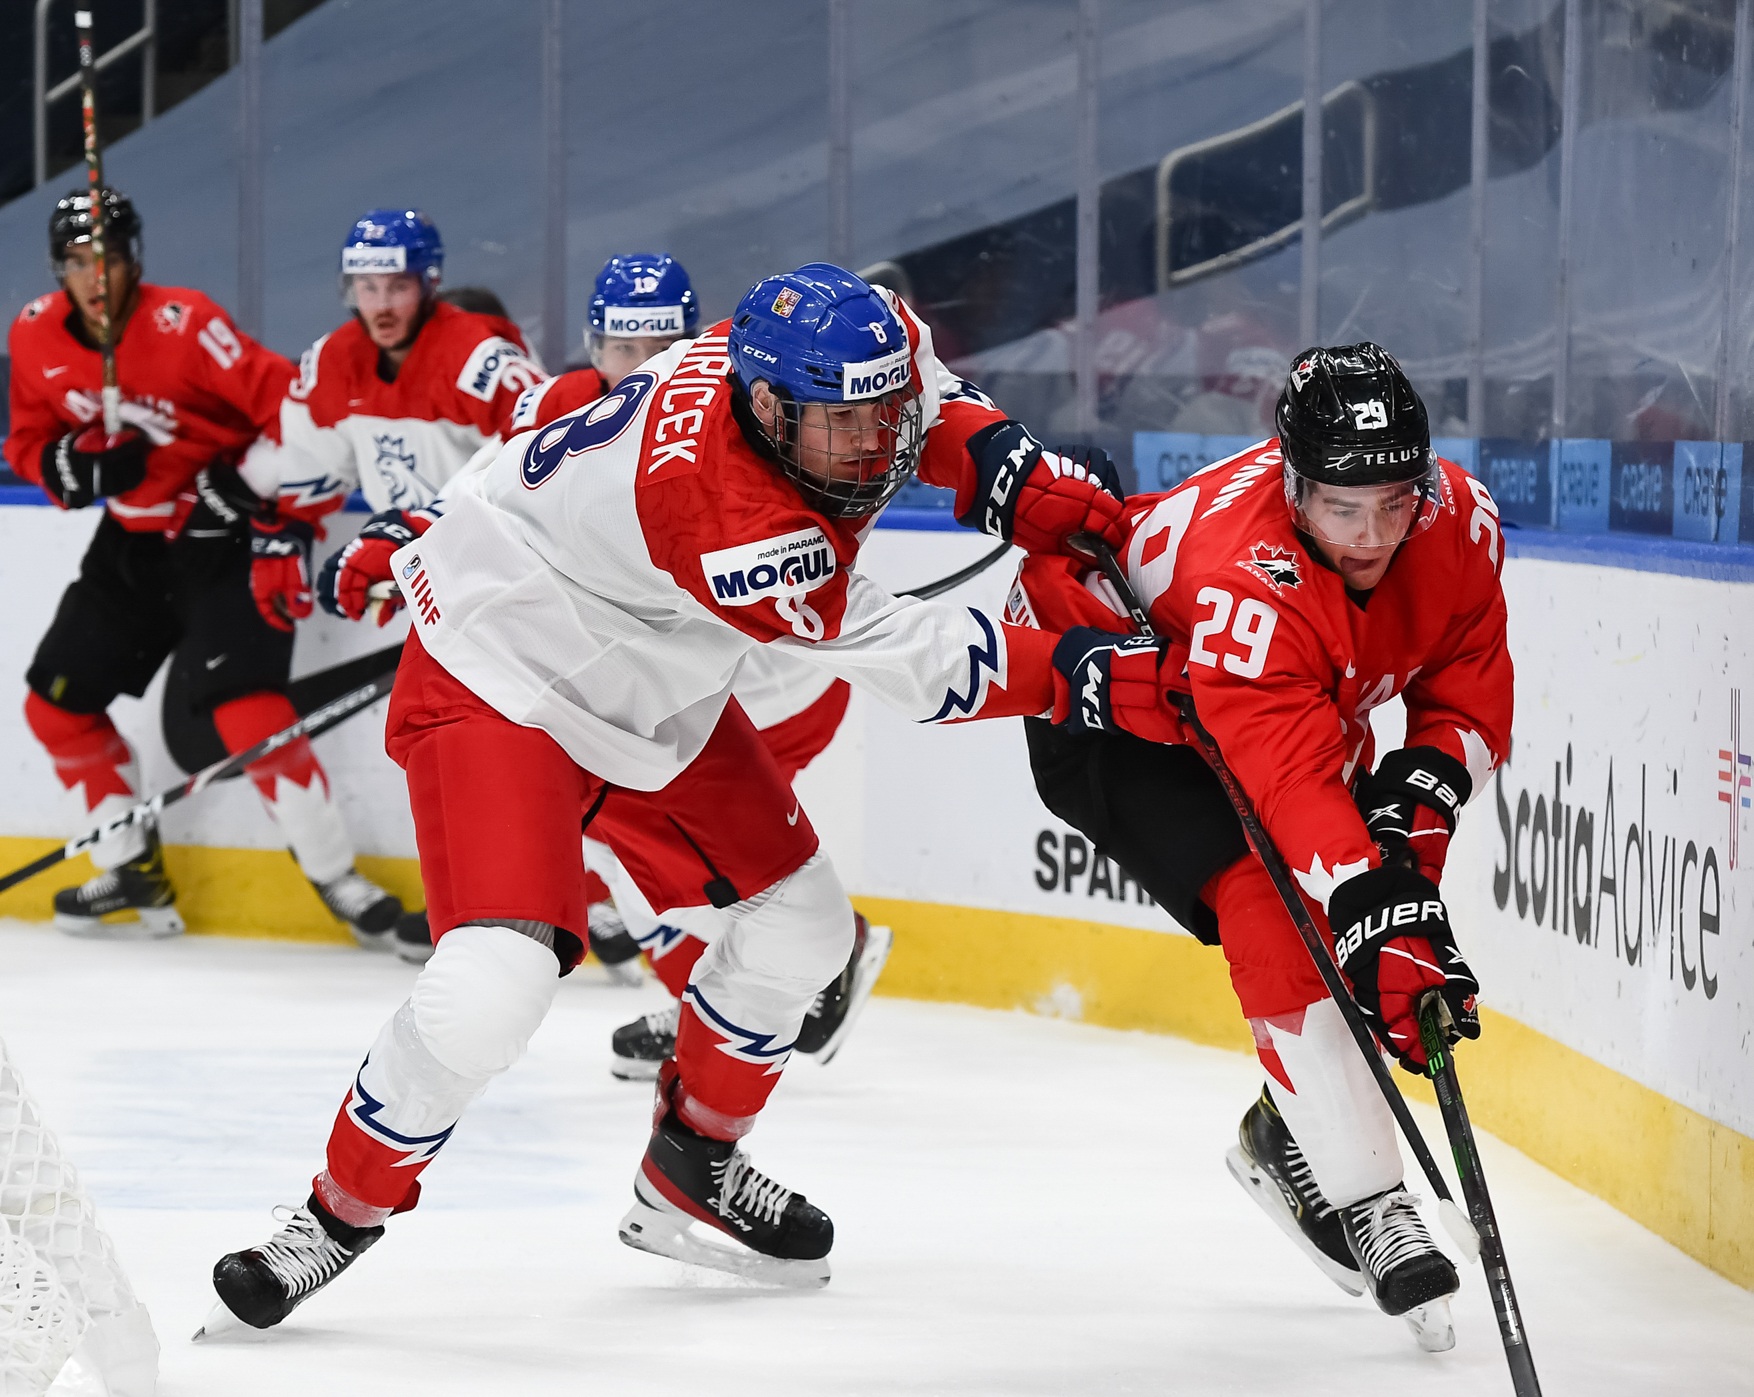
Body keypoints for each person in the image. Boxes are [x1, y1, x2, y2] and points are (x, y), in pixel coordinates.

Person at [203, 261, 1125, 1331]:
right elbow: (924, 662)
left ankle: (691, 1170)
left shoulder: (799, 349)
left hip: (648, 677)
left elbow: (918, 379)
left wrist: (1006, 460)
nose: (873, 446)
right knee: (494, 981)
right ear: (769, 406)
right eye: (842, 425)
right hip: (503, 678)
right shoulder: (733, 521)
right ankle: (334, 1213)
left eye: (883, 416)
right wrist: (1089, 672)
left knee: (808, 930)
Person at [1019, 343, 1511, 1350]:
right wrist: (1380, 908)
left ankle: (1286, 1139)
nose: (1372, 534)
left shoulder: (1457, 522)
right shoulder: (1241, 583)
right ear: (1292, 488)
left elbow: (1461, 691)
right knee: (1274, 899)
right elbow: (1286, 788)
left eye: (1393, 502)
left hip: (1273, 696)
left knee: (1366, 911)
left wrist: (1409, 852)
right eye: (1341, 507)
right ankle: (1367, 1203)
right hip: (1115, 715)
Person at [503, 254, 888, 1072]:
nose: (640, 366)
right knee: (608, 832)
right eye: (619, 347)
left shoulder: (740, 421)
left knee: (627, 827)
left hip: (770, 687)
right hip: (695, 685)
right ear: (588, 345)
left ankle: (782, 978)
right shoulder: (557, 410)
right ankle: (723, 1000)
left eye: (662, 343)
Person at [4, 186, 405, 945]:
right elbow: (28, 441)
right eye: (80, 263)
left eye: (111, 260)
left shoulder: (188, 327)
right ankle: (133, 870)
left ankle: (336, 878)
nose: (97, 279)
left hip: (223, 540)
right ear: (60, 270)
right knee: (53, 707)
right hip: (131, 543)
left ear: (135, 261)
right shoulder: (33, 338)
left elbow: (299, 413)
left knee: (246, 709)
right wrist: (71, 466)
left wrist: (261, 502)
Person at [278, 208, 547, 960]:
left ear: (427, 282)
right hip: (436, 590)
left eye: (396, 282)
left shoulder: (478, 356)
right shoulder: (336, 361)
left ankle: (591, 901)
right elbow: (305, 458)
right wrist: (283, 527)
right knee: (449, 751)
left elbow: (544, 446)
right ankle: (480, 907)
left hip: (515, 578)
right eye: (366, 285)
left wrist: (423, 526)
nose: (382, 302)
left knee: (537, 742)